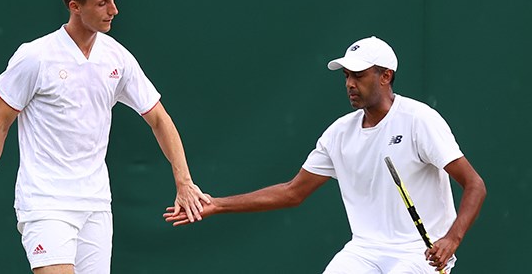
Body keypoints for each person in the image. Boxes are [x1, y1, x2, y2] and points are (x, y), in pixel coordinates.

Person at [164, 36, 486, 273]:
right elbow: (292, 192)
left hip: (418, 253)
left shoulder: (420, 121)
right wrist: (216, 205)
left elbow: (474, 185)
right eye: (346, 76)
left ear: (385, 76)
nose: (349, 83)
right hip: (364, 250)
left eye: (358, 75)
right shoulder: (339, 134)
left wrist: (451, 240)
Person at [0, 0, 210, 273]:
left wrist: (183, 182)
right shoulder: (35, 57)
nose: (114, 10)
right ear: (75, 6)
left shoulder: (117, 57)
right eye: (103, 3)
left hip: (96, 205)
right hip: (45, 203)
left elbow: (159, 119)